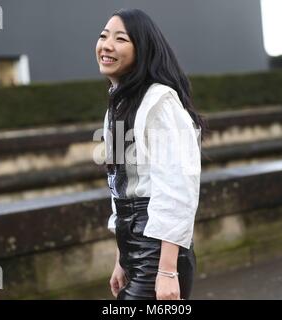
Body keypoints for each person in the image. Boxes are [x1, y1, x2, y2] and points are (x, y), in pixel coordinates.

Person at [95, 8, 207, 300]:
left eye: (120, 39)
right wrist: (122, 258)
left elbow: (176, 185)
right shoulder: (118, 105)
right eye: (103, 36)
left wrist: (168, 270)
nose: (107, 45)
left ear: (142, 50)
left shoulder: (159, 101)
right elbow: (121, 187)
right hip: (135, 248)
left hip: (159, 253)